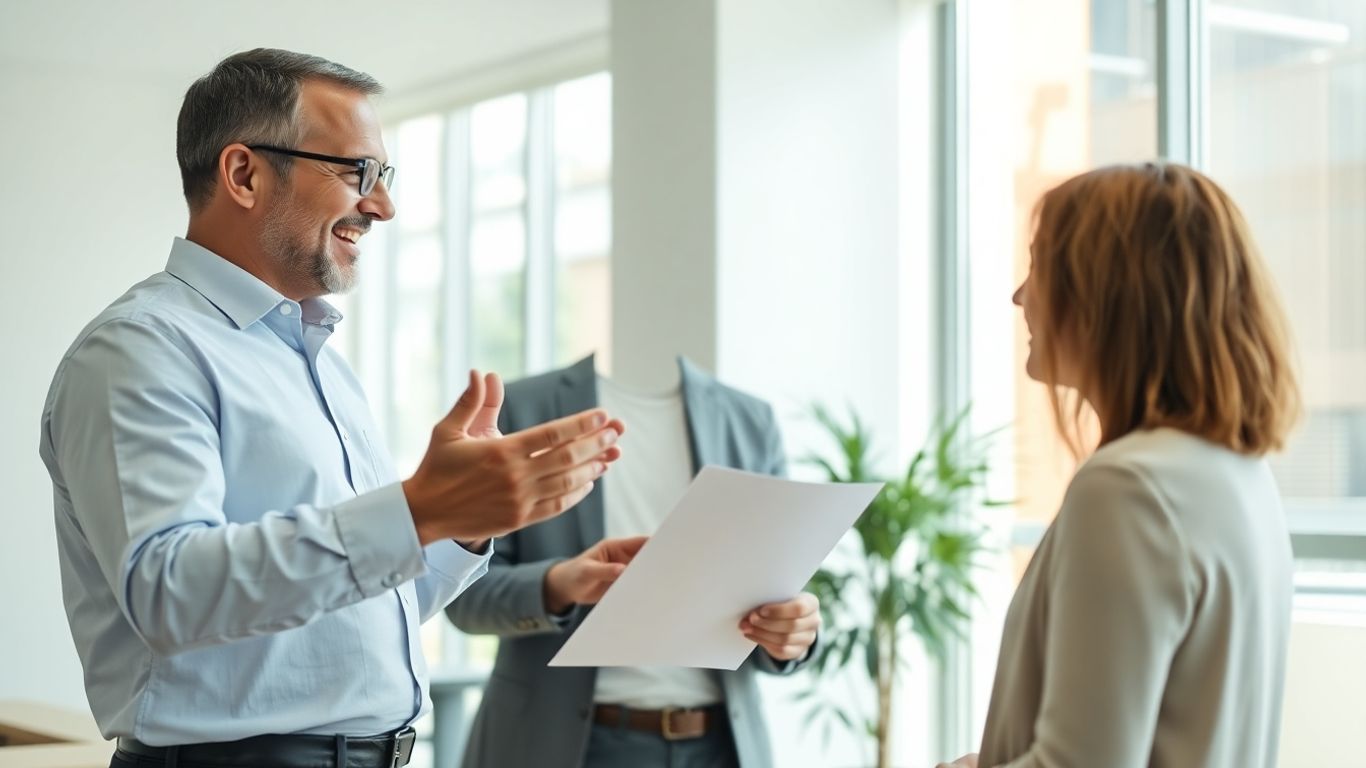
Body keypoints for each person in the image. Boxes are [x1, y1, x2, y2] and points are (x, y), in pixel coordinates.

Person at [38, 49, 624, 768]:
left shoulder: (320, 362)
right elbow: (170, 592)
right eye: (357, 173)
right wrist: (416, 511)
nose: (382, 205)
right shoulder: (140, 350)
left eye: (384, 176)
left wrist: (460, 527)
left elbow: (362, 610)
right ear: (244, 174)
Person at [937, 162, 1301, 768]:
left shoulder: (1127, 487)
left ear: (1108, 291)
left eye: (1041, 268)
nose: (1020, 296)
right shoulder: (1238, 473)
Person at [445, 355, 821, 768]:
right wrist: (559, 584)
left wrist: (793, 632)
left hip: (722, 745)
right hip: (570, 744)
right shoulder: (525, 407)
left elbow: (778, 583)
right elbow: (464, 597)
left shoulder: (750, 420)